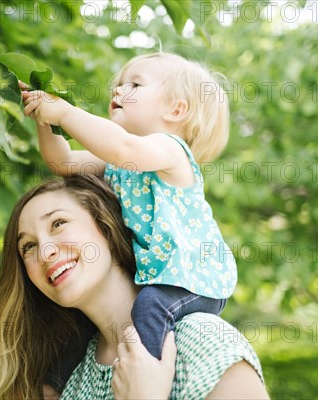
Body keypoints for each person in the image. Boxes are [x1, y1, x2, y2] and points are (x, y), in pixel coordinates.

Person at [21, 52, 237, 390]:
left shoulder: (170, 152)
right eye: (118, 85)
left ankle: (146, 379)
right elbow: (61, 162)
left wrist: (63, 111)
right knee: (85, 327)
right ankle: (53, 388)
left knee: (148, 308)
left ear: (175, 110)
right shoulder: (118, 163)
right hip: (164, 276)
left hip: (195, 278)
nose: (118, 91)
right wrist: (45, 118)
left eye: (134, 84)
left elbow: (122, 148)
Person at [0, 174, 268, 399]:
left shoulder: (201, 342)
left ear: (105, 226)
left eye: (58, 223)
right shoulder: (72, 382)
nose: (45, 251)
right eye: (28, 246)